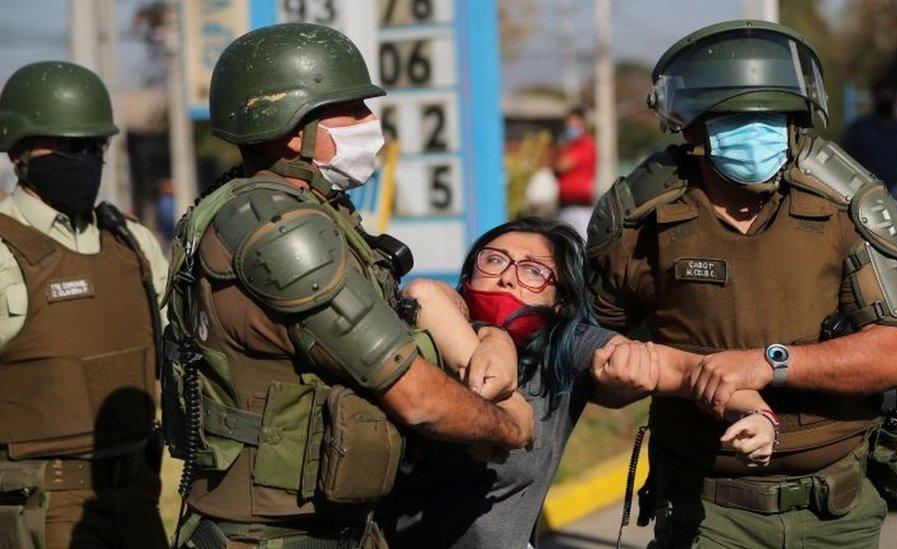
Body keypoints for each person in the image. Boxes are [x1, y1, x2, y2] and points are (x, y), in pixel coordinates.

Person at [161, 23, 534, 549]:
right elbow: (417, 398)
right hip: (273, 534)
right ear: (293, 131)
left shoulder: (260, 207)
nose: (371, 123)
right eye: (354, 110)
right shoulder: (280, 232)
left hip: (310, 525)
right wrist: (508, 425)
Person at [587, 20, 897, 549]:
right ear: (694, 127)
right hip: (705, 508)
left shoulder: (847, 207)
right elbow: (594, 349)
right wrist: (620, 379)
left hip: (838, 509)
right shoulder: (640, 217)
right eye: (735, 118)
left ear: (797, 122)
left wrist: (770, 362)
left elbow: (894, 353)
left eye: (771, 117)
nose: (756, 133)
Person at [378, 217, 779, 549]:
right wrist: (492, 347)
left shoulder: (566, 346)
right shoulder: (425, 328)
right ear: (468, 275)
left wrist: (757, 413)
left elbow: (694, 372)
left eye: (534, 271)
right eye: (494, 260)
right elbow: (425, 293)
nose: (507, 278)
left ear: (560, 300)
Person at [0, 61, 170, 548]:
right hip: (40, 510)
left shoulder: (131, 242)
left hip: (136, 498)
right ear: (19, 152)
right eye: (71, 146)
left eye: (96, 146)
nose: (87, 159)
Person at [843, 79, 897, 189]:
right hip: (867, 193)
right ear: (874, 97)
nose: (885, 98)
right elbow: (847, 163)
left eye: (889, 94)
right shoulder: (859, 130)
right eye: (882, 95)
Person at [555, 107, 597, 239]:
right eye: (568, 124)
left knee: (582, 244)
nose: (570, 127)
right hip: (565, 205)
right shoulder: (569, 145)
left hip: (580, 206)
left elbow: (562, 166)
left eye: (573, 123)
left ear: (583, 123)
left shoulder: (585, 144)